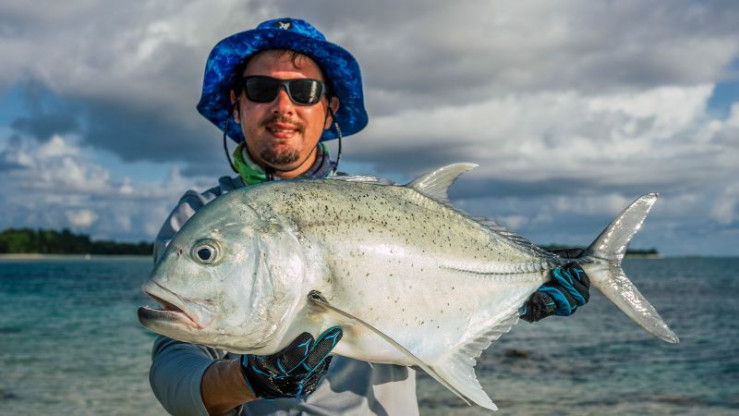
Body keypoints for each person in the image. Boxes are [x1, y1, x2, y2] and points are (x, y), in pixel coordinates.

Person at [148, 17, 590, 416]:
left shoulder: (391, 209)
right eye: (261, 89)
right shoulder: (199, 215)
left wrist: (524, 291)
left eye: (304, 92)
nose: (283, 107)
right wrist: (245, 380)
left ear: (329, 109)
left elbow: (440, 306)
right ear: (236, 102)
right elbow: (174, 367)